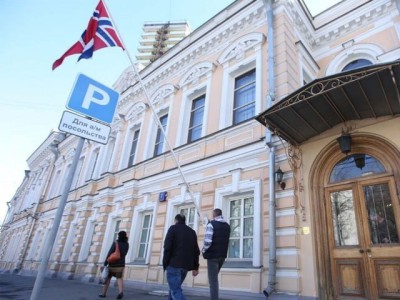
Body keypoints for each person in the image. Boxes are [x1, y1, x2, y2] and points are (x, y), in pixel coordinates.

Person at [163, 214, 200, 300]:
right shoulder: (192, 232)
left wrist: (165, 263)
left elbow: (167, 247)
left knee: (175, 291)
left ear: (176, 221)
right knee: (173, 289)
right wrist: (196, 267)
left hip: (173, 265)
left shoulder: (173, 228)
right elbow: (196, 251)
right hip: (185, 267)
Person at [202, 208, 231, 300]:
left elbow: (207, 242)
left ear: (214, 215)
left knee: (213, 281)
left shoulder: (211, 225)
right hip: (222, 256)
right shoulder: (227, 226)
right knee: (214, 278)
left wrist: (203, 251)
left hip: (212, 257)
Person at [99, 231, 129, 299]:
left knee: (108, 278)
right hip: (121, 264)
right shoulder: (127, 244)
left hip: (113, 264)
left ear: (119, 236)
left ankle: (103, 294)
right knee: (119, 278)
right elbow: (125, 253)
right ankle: (120, 292)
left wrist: (106, 262)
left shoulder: (116, 243)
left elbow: (110, 252)